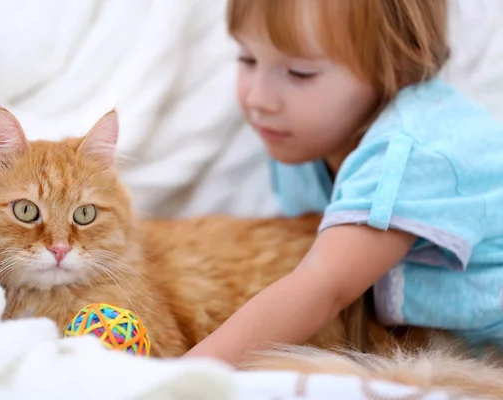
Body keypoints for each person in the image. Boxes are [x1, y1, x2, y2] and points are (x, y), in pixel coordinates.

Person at [184, 0, 503, 365]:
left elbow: (323, 285)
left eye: (299, 73)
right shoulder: (302, 140)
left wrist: (181, 377)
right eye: (247, 59)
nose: (259, 99)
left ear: (397, 66)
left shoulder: (408, 153)